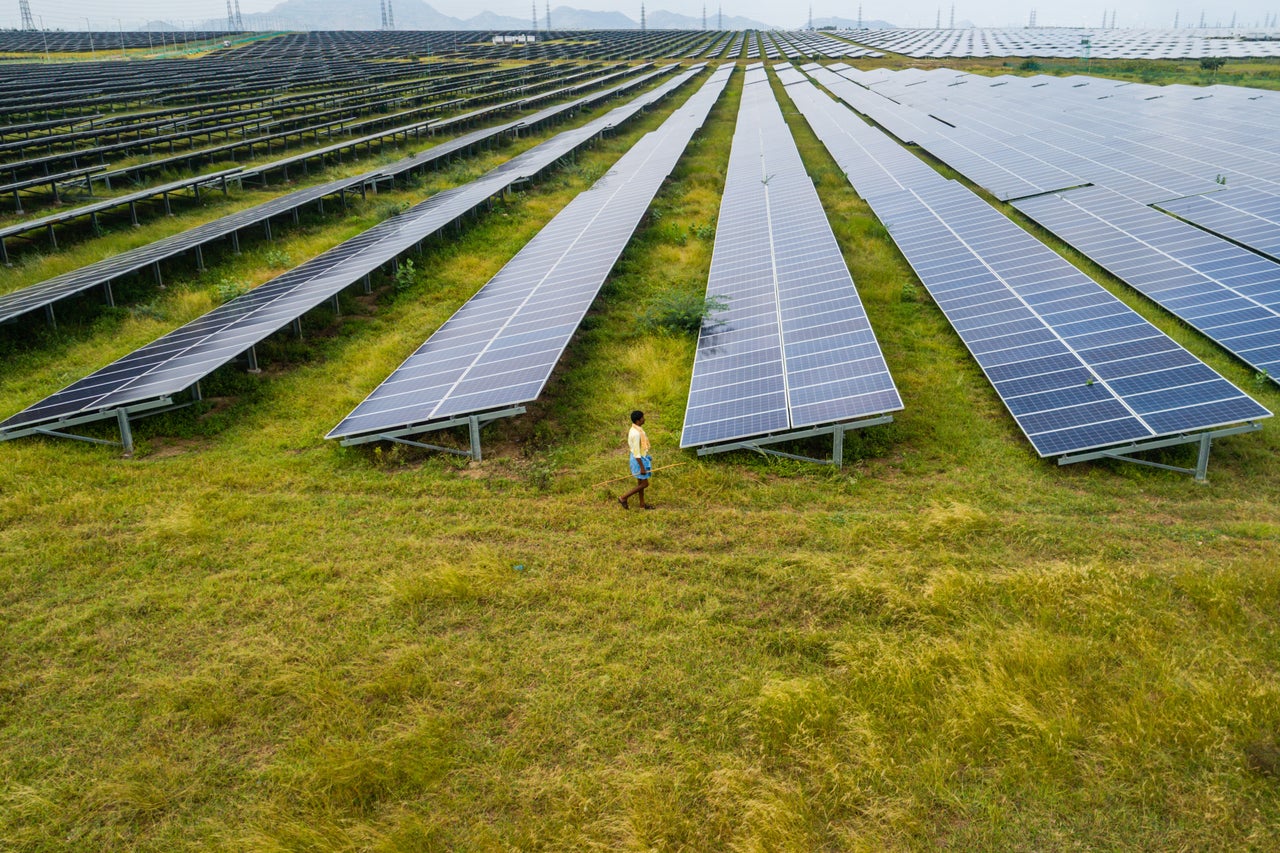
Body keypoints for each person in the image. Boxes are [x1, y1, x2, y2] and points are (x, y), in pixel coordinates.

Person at [619, 410, 653, 510]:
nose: (644, 419)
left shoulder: (636, 429)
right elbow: (637, 453)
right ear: (638, 420)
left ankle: (642, 505)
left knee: (640, 483)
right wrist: (642, 467)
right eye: (643, 417)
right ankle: (623, 497)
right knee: (645, 484)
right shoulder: (636, 434)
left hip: (640, 458)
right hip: (638, 460)